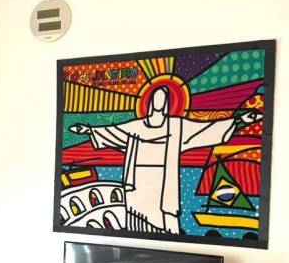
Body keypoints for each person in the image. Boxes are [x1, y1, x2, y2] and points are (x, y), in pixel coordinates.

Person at [69, 87, 260, 234]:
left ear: (168, 103)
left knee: (164, 218)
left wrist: (238, 120)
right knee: (138, 217)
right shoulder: (136, 126)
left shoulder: (176, 126)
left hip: (163, 181)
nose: (158, 102)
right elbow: (113, 132)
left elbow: (205, 129)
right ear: (150, 102)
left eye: (163, 99)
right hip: (138, 182)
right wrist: (88, 130)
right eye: (156, 98)